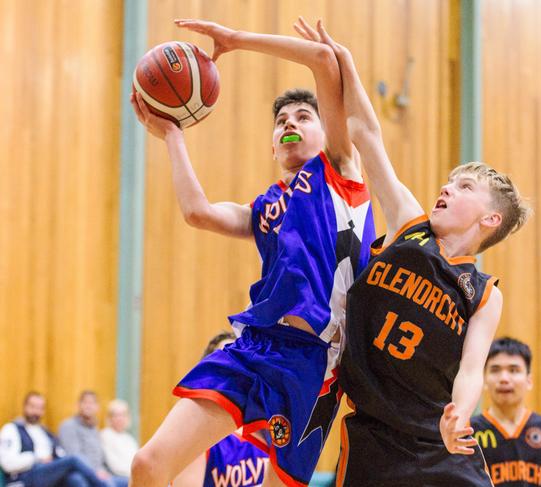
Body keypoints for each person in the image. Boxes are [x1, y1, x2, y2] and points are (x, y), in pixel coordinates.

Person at [129, 18, 375, 487]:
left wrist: (235, 41)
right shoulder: (264, 209)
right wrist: (172, 135)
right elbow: (197, 212)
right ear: (273, 145)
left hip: (313, 361)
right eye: (281, 120)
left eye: (303, 118)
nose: (289, 124)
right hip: (254, 343)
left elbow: (324, 59)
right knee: (148, 465)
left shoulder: (340, 172)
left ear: (328, 132)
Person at [294, 18, 530, 486]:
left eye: (464, 187)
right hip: (373, 436)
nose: (446, 187)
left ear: (490, 220)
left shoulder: (483, 293)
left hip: (438, 443)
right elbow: (366, 133)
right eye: (449, 180)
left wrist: (460, 416)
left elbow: (470, 369)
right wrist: (347, 64)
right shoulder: (409, 224)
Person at [173, 332, 268, 487]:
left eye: (240, 357)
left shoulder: (269, 427)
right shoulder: (195, 433)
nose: (235, 367)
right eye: (225, 358)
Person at [471, 337, 541, 486]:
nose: (504, 378)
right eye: (495, 370)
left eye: (513, 370)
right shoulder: (468, 432)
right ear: (484, 380)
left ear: (529, 380)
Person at [0, 391, 106, 487]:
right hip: (25, 476)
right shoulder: (12, 429)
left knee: (75, 478)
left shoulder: (45, 433)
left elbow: (60, 454)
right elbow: (7, 464)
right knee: (74, 459)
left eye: (39, 408)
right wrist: (37, 458)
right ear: (24, 407)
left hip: (48, 475)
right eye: (32, 407)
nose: (35, 412)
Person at [59, 391, 128, 487]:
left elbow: (100, 459)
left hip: (99, 472)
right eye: (85, 402)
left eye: (92, 403)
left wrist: (103, 471)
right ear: (78, 405)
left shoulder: (95, 429)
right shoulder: (68, 425)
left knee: (129, 481)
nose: (88, 406)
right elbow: (74, 456)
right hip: (77, 472)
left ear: (97, 407)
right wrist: (95, 472)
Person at [100, 400, 138, 480]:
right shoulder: (105, 435)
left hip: (134, 476)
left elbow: (137, 461)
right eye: (116, 415)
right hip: (119, 478)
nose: (120, 418)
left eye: (123, 415)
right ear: (110, 418)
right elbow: (114, 466)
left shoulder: (130, 439)